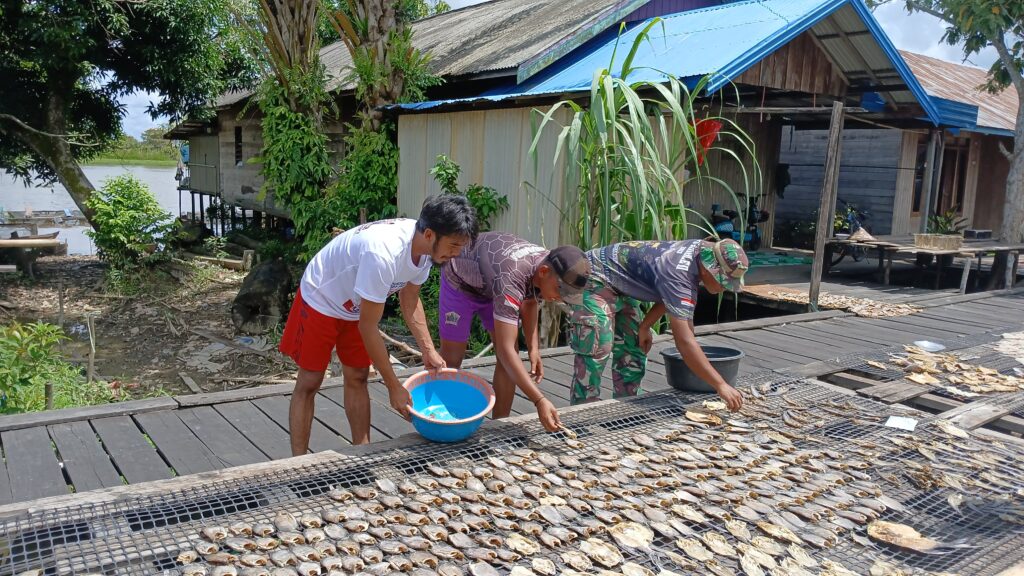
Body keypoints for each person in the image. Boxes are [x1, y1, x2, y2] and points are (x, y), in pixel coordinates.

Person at [281, 195, 478, 453]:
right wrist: (393, 386)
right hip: (321, 297)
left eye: (460, 247)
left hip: (358, 305)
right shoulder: (383, 254)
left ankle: (362, 452)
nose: (456, 253)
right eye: (453, 245)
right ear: (430, 234)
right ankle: (298, 463)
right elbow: (368, 327)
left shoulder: (427, 253)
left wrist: (429, 349)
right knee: (310, 381)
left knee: (358, 376)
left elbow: (410, 301)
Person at [567, 238, 748, 410]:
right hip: (594, 275)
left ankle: (626, 405)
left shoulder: (700, 253)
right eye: (723, 281)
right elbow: (685, 342)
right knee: (598, 345)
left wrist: (645, 326)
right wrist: (720, 385)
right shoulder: (679, 271)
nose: (725, 288)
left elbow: (668, 295)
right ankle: (582, 412)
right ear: (709, 268)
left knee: (635, 344)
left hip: (621, 283)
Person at [438, 232, 591, 432]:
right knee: (453, 358)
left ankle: (499, 426)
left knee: (509, 358)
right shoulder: (513, 276)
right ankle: (443, 421)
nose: (560, 298)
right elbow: (505, 350)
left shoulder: (546, 264)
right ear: (544, 272)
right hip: (460, 281)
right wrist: (539, 400)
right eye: (560, 291)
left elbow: (530, 300)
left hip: (493, 285)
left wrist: (533, 348)